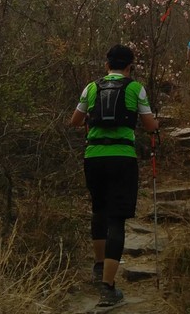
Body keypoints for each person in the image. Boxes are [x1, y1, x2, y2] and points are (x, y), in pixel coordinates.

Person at [69, 44, 159, 307]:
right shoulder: (135, 88)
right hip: (123, 158)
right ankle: (108, 289)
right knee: (117, 219)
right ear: (129, 66)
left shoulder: (92, 87)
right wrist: (156, 126)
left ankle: (99, 268)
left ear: (107, 65)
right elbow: (149, 125)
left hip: (94, 157)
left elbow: (75, 121)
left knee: (99, 210)